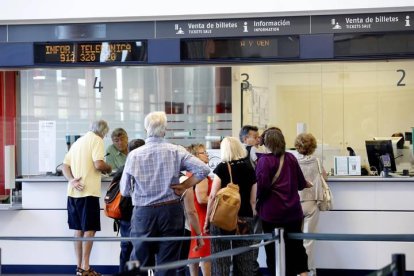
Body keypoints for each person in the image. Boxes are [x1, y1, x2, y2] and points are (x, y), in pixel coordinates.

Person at [119, 111, 210, 276]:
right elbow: (203, 169)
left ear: (146, 128)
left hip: (143, 213)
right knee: (168, 264)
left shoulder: (134, 155)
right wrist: (185, 185)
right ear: (165, 130)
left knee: (138, 258)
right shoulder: (176, 151)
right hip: (171, 212)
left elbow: (124, 190)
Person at [255, 128, 310, 276]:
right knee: (296, 249)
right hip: (293, 213)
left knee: (273, 252)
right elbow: (300, 183)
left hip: (271, 214)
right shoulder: (291, 158)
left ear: (267, 143)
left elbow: (262, 188)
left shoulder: (264, 162)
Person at [61, 120, 112, 276]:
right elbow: (98, 165)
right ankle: (86, 268)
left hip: (73, 192)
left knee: (78, 230)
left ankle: (79, 267)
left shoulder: (78, 141)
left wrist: (71, 180)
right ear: (103, 132)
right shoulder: (97, 140)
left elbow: (64, 165)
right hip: (88, 192)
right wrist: (109, 168)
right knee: (89, 230)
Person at [204, 136, 257, 276]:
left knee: (221, 259)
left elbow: (212, 196)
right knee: (245, 260)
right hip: (245, 218)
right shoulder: (249, 168)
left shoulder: (222, 168)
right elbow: (253, 200)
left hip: (223, 218)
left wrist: (207, 220)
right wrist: (250, 216)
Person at [110, 138, 146, 272]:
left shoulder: (123, 168)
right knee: (140, 246)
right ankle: (136, 272)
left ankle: (124, 272)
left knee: (126, 246)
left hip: (124, 213)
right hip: (138, 212)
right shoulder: (143, 167)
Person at [295, 133, 327, 276]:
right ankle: (308, 271)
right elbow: (324, 177)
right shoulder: (317, 161)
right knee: (308, 240)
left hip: (295, 204)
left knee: (295, 240)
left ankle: (297, 270)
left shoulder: (293, 161)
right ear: (313, 147)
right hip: (312, 203)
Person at [239, 125, 262, 276]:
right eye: (255, 136)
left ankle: (242, 268)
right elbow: (261, 170)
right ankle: (251, 268)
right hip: (255, 200)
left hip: (240, 200)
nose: (258, 138)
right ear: (245, 138)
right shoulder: (253, 151)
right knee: (255, 235)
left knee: (242, 235)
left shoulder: (236, 153)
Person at [186, 144, 212, 276]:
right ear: (196, 156)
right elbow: (202, 199)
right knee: (205, 253)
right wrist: (217, 201)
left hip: (194, 216)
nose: (207, 154)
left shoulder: (191, 172)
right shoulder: (201, 174)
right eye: (203, 152)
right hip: (202, 215)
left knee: (195, 253)